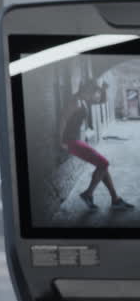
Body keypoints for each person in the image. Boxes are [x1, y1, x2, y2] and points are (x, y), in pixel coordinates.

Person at [61, 80, 132, 211]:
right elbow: (63, 120)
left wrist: (104, 90)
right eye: (94, 93)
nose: (95, 97)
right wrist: (62, 141)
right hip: (71, 141)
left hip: (77, 140)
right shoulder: (75, 102)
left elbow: (101, 101)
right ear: (86, 91)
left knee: (102, 166)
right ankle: (88, 194)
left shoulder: (83, 100)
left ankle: (115, 199)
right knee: (104, 163)